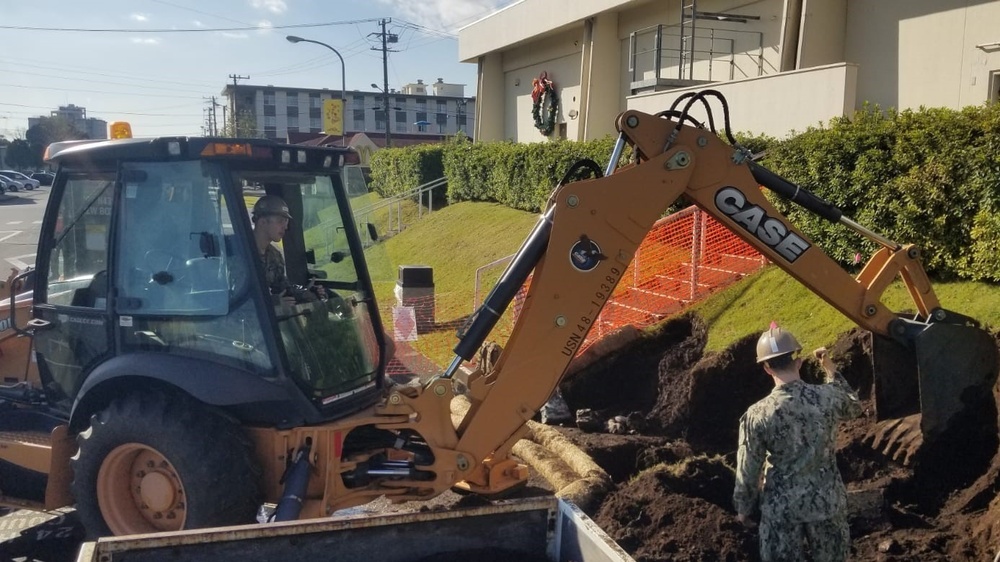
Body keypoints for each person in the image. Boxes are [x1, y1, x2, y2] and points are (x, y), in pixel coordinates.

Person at [733, 323, 862, 562]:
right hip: (827, 504)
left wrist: (743, 509)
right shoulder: (826, 398)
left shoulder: (757, 414)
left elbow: (748, 466)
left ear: (766, 368)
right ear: (798, 361)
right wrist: (830, 368)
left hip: (781, 511)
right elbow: (853, 405)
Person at [252, 195, 325, 305]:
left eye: (286, 221)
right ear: (262, 222)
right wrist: (274, 303)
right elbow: (233, 299)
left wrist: (306, 293)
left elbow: (284, 290)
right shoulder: (238, 251)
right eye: (280, 221)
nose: (285, 227)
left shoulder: (274, 256)